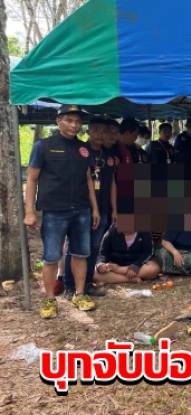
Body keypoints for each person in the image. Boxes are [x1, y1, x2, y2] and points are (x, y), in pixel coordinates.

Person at [24, 105, 101, 318]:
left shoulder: (84, 148)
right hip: (54, 211)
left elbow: (88, 179)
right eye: (69, 120)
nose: (74, 125)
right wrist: (29, 211)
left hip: (81, 210)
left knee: (80, 253)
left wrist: (94, 208)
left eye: (77, 121)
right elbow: (32, 178)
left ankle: (79, 294)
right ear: (58, 121)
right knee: (51, 256)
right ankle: (50, 300)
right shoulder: (43, 146)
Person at [62, 117, 118, 299]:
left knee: (94, 247)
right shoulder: (80, 151)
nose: (101, 135)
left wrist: (114, 209)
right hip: (81, 208)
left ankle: (86, 284)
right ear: (88, 131)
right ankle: (69, 285)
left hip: (103, 209)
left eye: (104, 131)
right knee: (76, 247)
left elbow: (113, 183)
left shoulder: (109, 156)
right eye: (97, 130)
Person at [93, 225, 160, 285]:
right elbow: (102, 253)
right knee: (94, 274)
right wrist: (100, 264)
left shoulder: (144, 231)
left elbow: (148, 252)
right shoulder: (112, 231)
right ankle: (130, 279)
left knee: (153, 269)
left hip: (136, 265)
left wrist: (136, 265)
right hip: (115, 263)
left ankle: (116, 275)